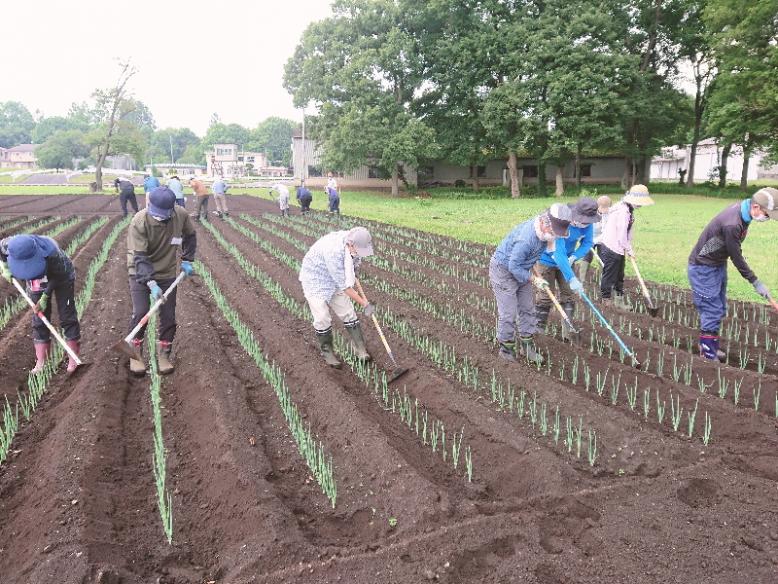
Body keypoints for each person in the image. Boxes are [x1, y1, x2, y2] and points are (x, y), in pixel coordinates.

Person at [688, 188, 778, 361]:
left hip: (716, 264)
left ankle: (709, 345)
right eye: (767, 214)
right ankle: (707, 352)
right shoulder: (733, 224)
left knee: (719, 306)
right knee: (712, 309)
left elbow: (734, 248)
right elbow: (736, 256)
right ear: (757, 207)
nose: (767, 218)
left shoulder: (744, 212)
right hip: (703, 269)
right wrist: (755, 282)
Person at [126, 186, 196, 375]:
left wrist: (188, 259)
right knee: (141, 312)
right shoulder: (139, 221)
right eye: (157, 214)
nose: (160, 218)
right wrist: (150, 283)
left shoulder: (180, 215)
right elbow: (139, 257)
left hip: (166, 273)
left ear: (172, 209)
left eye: (164, 215)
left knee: (168, 315)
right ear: (149, 205)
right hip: (139, 271)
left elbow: (190, 236)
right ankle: (136, 354)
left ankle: (164, 354)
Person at [490, 203, 572, 364]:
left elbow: (531, 258)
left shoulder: (544, 235)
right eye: (554, 231)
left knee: (527, 308)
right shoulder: (526, 239)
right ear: (544, 223)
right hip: (503, 270)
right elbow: (514, 266)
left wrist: (537, 275)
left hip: (523, 269)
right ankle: (506, 349)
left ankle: (527, 346)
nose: (555, 235)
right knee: (509, 312)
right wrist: (533, 279)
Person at [0, 234, 81, 373]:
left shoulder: (52, 252)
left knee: (67, 315)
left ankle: (73, 360)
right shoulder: (7, 245)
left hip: (62, 277)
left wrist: (45, 297)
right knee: (39, 317)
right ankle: (41, 362)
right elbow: (1, 252)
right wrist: (5, 266)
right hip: (36, 278)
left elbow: (58, 276)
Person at [299, 227, 375, 368]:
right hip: (315, 278)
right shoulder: (333, 250)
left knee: (347, 312)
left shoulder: (355, 243)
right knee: (322, 317)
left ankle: (360, 348)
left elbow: (355, 265)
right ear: (351, 245)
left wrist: (355, 272)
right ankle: (327, 352)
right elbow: (345, 287)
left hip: (334, 279)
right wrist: (365, 304)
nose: (361, 253)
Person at [536, 197, 601, 340]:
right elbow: (558, 254)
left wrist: (575, 256)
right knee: (546, 296)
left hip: (567, 261)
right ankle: (538, 330)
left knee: (569, 295)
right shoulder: (562, 221)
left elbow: (587, 243)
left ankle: (568, 332)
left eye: (588, 222)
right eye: (583, 221)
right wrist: (571, 277)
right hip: (546, 260)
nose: (586, 225)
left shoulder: (587, 224)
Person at [599, 184, 654, 307]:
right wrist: (629, 249)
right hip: (611, 247)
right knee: (610, 274)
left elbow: (628, 232)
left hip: (618, 247)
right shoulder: (622, 211)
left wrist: (629, 246)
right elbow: (621, 235)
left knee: (619, 275)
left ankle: (619, 301)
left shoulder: (628, 209)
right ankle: (606, 300)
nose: (641, 205)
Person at [578, 195, 611, 281]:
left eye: (606, 209)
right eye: (602, 209)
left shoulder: (610, 215)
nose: (604, 211)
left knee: (603, 258)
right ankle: (582, 280)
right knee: (587, 256)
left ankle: (602, 280)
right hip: (588, 237)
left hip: (602, 239)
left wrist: (595, 241)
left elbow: (606, 232)